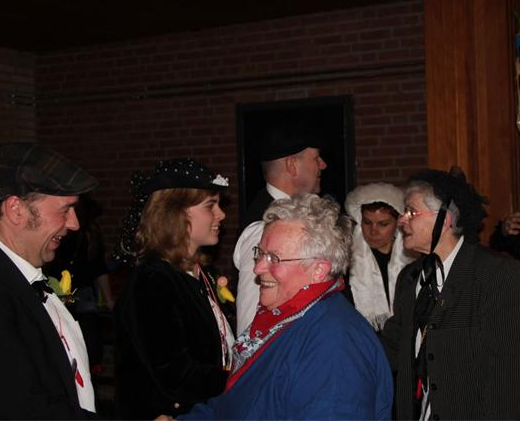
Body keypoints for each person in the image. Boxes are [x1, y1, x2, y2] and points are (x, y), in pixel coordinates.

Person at [173, 194, 392, 420]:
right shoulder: (289, 317)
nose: (258, 268)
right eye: (260, 254)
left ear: (318, 270)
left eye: (273, 258)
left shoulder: (335, 345)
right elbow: (238, 404)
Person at [381, 169, 520, 420]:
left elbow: (511, 377)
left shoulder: (497, 274)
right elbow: (391, 347)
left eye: (412, 212)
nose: (401, 220)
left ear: (444, 220)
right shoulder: (411, 278)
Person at [0, 142, 98, 419]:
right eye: (65, 209)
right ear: (16, 209)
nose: (74, 224)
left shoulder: (16, 274)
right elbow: (24, 410)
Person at [113, 158, 233, 419]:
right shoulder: (153, 280)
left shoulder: (195, 272)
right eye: (210, 205)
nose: (221, 214)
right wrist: (243, 377)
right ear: (176, 213)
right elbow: (175, 375)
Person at [232, 121, 326, 334]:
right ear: (292, 165)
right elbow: (251, 324)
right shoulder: (262, 229)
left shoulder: (290, 218)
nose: (323, 165)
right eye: (315, 158)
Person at [47, 194, 114, 384]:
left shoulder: (83, 234)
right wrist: (108, 299)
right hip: (72, 290)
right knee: (81, 333)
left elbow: (98, 267)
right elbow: (99, 268)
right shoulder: (86, 233)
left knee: (77, 333)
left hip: (67, 289)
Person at [344, 182, 415, 331]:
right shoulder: (348, 260)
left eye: (383, 224)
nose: (373, 231)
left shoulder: (413, 256)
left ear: (398, 223)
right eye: (367, 222)